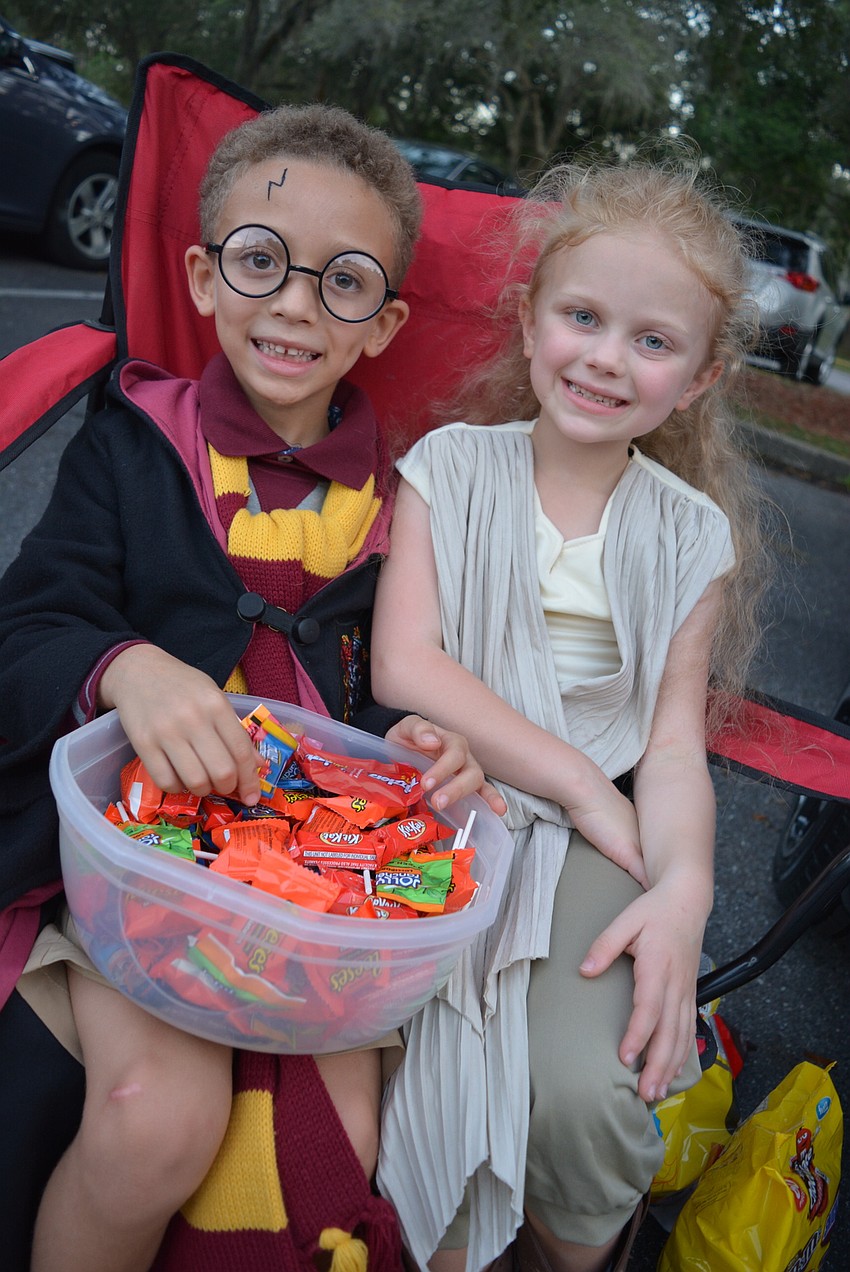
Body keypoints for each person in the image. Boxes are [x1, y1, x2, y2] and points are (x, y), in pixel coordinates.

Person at [0, 102, 505, 1272]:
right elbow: (29, 623)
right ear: (205, 275)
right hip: (140, 864)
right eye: (263, 262)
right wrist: (123, 666)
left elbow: (387, 697)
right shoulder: (132, 441)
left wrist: (424, 741)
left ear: (382, 325)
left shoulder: (405, 506)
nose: (292, 304)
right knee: (158, 1126)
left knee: (338, 1150)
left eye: (343, 284)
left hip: (323, 891)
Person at [370, 154, 769, 1272]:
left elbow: (672, 743)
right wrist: (584, 784)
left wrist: (685, 887)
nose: (604, 357)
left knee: (589, 1096)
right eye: (582, 316)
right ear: (530, 318)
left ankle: (569, 1250)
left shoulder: (690, 536)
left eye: (651, 341)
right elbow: (406, 664)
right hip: (448, 798)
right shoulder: (450, 468)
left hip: (598, 842)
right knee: (390, 1053)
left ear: (695, 378)